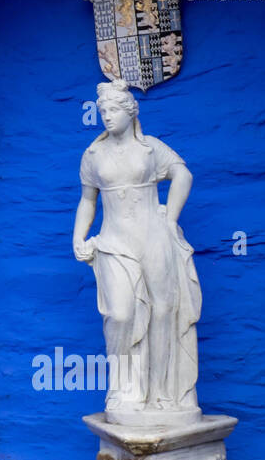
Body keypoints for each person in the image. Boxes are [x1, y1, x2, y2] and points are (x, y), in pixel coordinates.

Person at [72, 79, 201, 426]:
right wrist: (79, 237)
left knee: (164, 311)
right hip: (113, 241)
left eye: (113, 110)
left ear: (131, 112)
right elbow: (88, 200)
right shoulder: (93, 154)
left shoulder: (150, 149)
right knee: (120, 314)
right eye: (102, 111)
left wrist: (170, 220)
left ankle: (162, 394)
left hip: (152, 236)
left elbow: (182, 174)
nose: (106, 117)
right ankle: (122, 388)